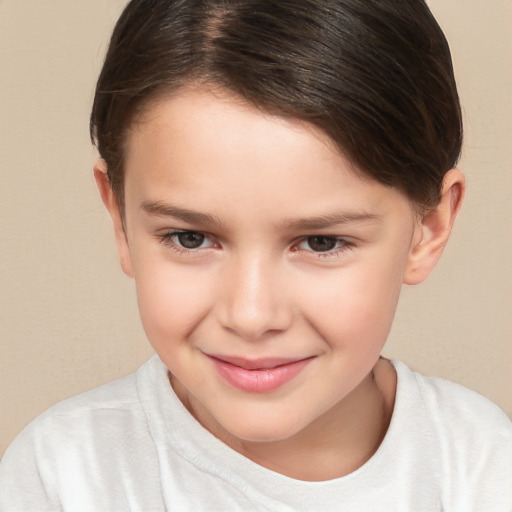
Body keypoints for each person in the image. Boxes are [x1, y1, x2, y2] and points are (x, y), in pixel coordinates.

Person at [1, 0, 511, 510]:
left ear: (429, 228)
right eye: (190, 238)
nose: (250, 315)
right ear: (120, 220)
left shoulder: (483, 468)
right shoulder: (63, 476)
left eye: (321, 242)